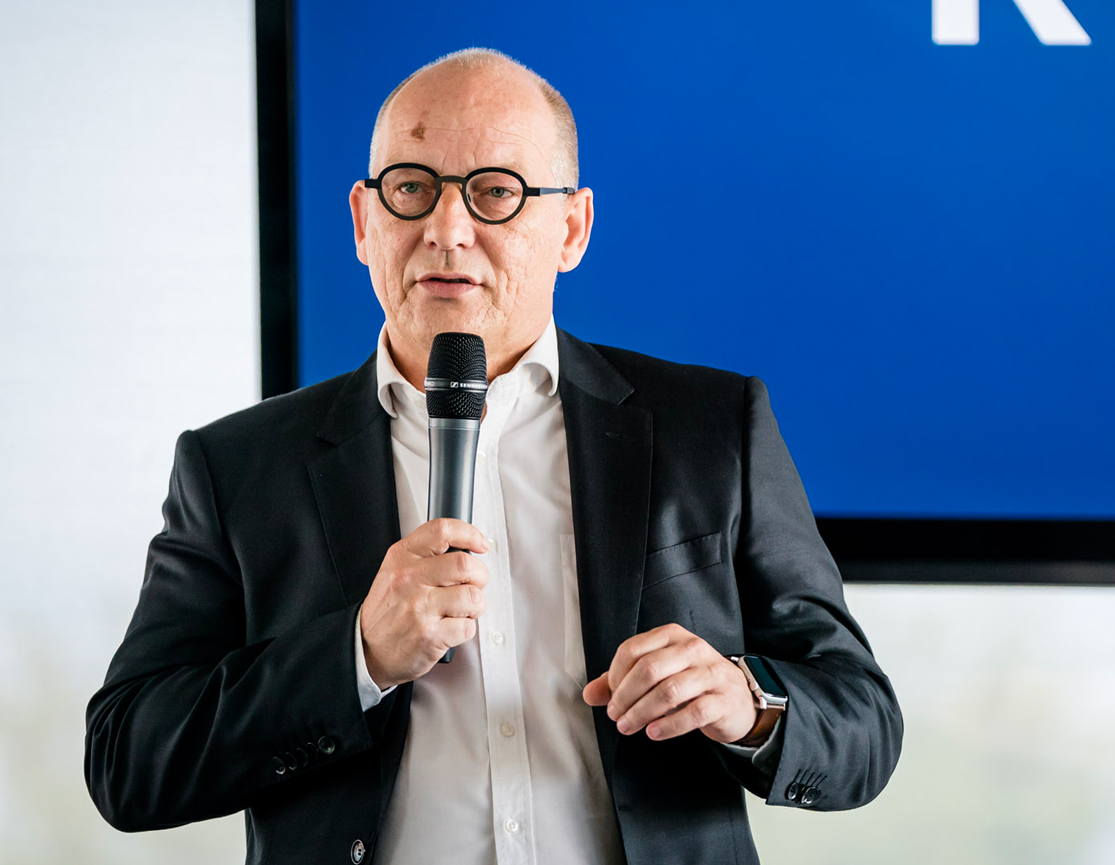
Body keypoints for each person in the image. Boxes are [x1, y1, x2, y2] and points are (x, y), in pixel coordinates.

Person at [85, 48, 901, 864]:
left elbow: (860, 722)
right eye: (411, 188)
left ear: (572, 229)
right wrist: (356, 656)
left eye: (495, 192)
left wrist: (746, 702)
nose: (446, 229)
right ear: (364, 223)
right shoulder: (237, 467)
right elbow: (128, 762)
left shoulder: (712, 426)